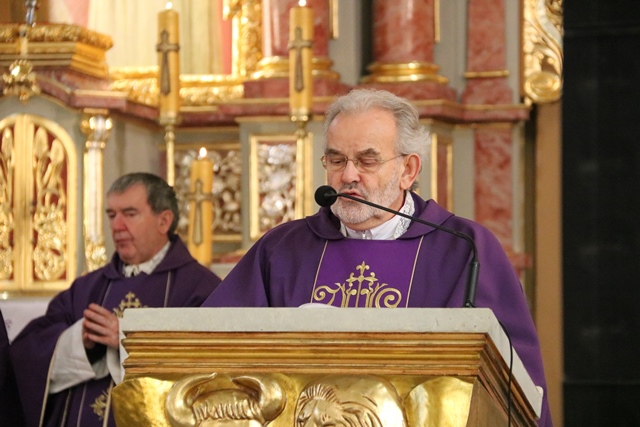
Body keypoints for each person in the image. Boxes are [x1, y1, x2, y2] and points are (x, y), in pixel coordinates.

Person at [201, 89, 553, 426]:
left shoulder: (464, 249)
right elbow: (214, 354)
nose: (348, 176)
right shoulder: (283, 249)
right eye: (336, 160)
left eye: (367, 161)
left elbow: (511, 384)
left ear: (408, 170)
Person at [10, 172, 222, 427]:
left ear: (164, 221)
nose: (117, 226)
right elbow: (28, 352)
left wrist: (126, 339)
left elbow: (209, 367)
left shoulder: (201, 288)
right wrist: (80, 342)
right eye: (112, 215)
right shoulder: (86, 288)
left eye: (130, 214)